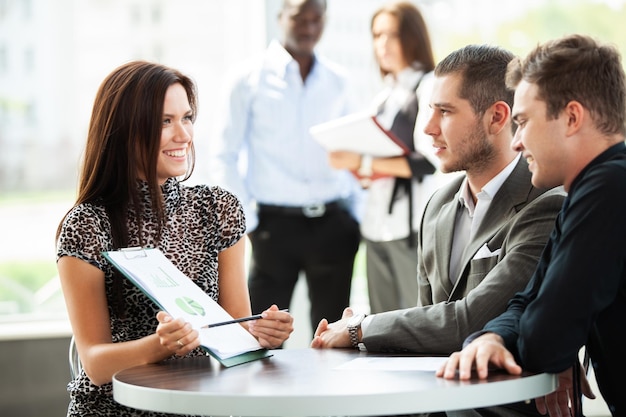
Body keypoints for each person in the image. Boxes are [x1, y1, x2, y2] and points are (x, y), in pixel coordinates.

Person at [311, 44, 566, 416]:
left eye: (444, 112)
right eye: (430, 110)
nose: (428, 128)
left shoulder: (546, 203)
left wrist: (360, 328)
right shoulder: (437, 207)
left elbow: (472, 320)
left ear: (497, 118)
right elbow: (427, 328)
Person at [56, 60, 294, 416]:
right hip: (116, 408)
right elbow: (95, 362)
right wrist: (159, 346)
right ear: (124, 130)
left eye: (186, 118)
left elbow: (236, 331)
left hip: (201, 404)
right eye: (164, 122)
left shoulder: (218, 209)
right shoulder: (87, 225)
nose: (183, 134)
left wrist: (260, 333)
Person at [438, 34, 626, 417]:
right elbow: (528, 301)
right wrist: (492, 336)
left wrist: (520, 341)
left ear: (572, 117)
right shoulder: (587, 191)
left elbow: (547, 339)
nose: (517, 141)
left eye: (522, 122)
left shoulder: (609, 188)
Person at [207, 0, 361, 331]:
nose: (308, 27)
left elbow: (351, 149)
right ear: (280, 18)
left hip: (333, 224)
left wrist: (354, 216)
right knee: (261, 333)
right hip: (273, 228)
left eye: (316, 19)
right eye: (299, 18)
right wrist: (248, 221)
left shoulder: (339, 80)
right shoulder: (247, 79)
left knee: (335, 334)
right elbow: (224, 154)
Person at [327, 1, 443, 313]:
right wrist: (360, 167)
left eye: (392, 34)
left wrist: (361, 162)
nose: (383, 44)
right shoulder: (384, 95)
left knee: (414, 320)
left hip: (408, 228)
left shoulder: (428, 86)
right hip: (375, 224)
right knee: (382, 324)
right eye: (377, 35)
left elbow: (427, 161)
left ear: (413, 37)